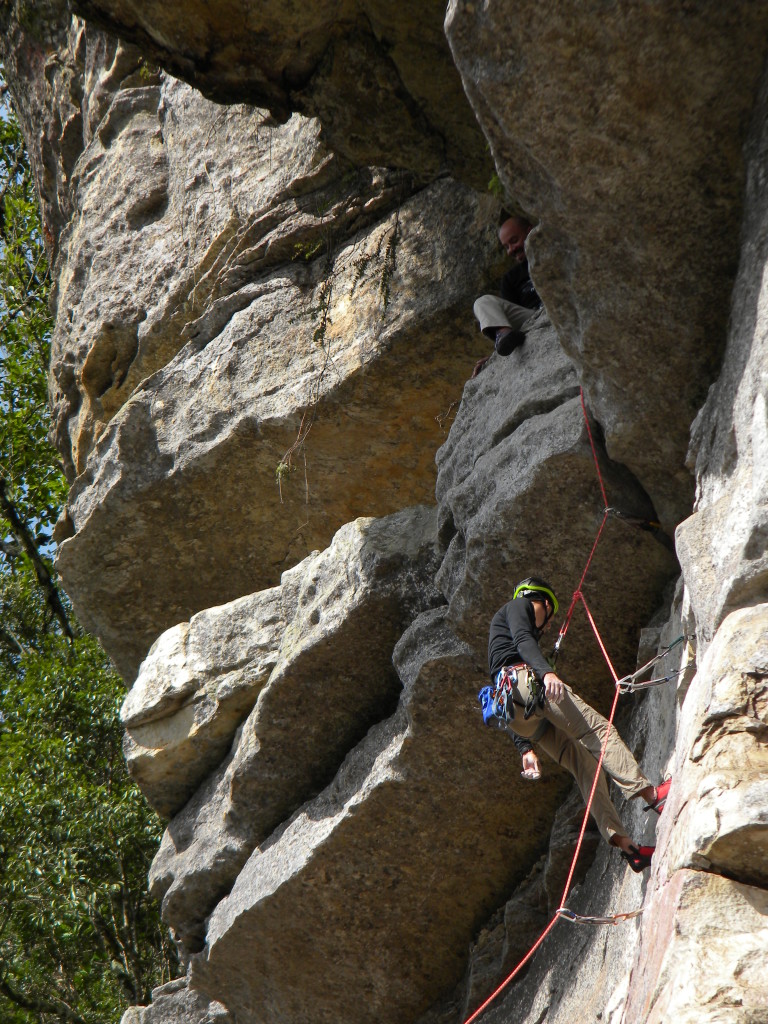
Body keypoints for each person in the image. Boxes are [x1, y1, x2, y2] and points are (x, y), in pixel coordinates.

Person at [484, 577, 671, 871]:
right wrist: (546, 672)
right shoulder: (519, 605)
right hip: (528, 683)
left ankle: (629, 848)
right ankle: (652, 794)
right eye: (547, 618)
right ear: (543, 603)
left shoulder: (498, 638)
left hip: (515, 712)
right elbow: (524, 639)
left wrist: (524, 748)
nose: (545, 627)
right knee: (598, 730)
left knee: (586, 767)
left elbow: (503, 687)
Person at [471, 214, 543, 377]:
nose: (511, 249)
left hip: (558, 308)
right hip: (533, 318)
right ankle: (503, 336)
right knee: (482, 302)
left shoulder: (554, 255)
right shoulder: (511, 278)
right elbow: (510, 315)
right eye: (506, 246)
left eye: (514, 240)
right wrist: (494, 358)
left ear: (529, 231)